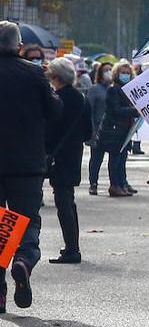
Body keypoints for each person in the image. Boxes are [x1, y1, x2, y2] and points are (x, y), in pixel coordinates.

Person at [0, 21, 62, 312]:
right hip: (26, 163)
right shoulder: (34, 73)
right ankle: (24, 259)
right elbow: (55, 111)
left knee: (1, 226)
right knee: (25, 218)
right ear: (20, 46)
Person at [45, 57, 92, 264]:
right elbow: (88, 132)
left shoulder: (56, 99)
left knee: (62, 201)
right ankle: (72, 245)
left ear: (55, 77)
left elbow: (48, 129)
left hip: (57, 155)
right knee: (68, 200)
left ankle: (72, 249)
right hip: (73, 154)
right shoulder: (82, 99)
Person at [97, 60, 141, 197]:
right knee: (115, 158)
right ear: (117, 73)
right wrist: (135, 110)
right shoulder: (113, 89)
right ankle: (115, 185)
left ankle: (122, 183)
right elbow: (116, 109)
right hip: (114, 129)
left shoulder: (128, 89)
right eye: (123, 73)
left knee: (122, 158)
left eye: (128, 73)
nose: (126, 75)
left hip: (125, 129)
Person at [86, 63, 112, 196]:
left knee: (115, 159)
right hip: (97, 128)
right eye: (106, 70)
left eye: (111, 70)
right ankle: (93, 183)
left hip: (112, 129)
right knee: (96, 158)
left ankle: (117, 183)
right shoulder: (95, 89)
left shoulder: (115, 89)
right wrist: (90, 129)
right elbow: (89, 109)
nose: (109, 72)